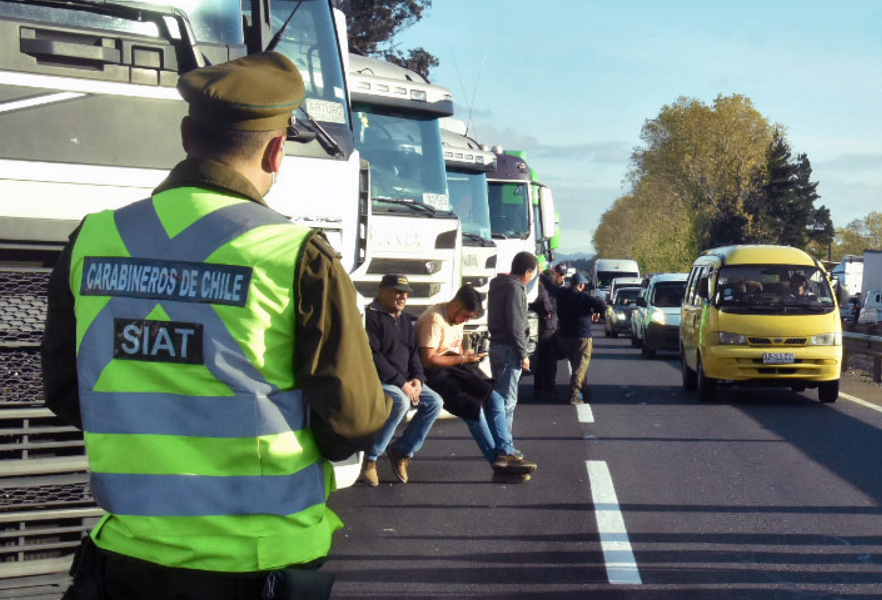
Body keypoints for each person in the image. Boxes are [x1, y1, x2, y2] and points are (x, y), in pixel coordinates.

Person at [40, 52, 390, 600]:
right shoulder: (293, 254)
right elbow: (354, 422)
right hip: (258, 565)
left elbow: (67, 393)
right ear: (277, 150)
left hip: (125, 562)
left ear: (186, 134)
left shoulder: (95, 238)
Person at [416, 285, 537, 484]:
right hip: (437, 374)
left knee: (495, 397)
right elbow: (428, 360)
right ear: (456, 305)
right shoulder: (434, 320)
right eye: (466, 316)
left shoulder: (454, 316)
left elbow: (459, 344)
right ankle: (499, 464)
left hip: (457, 368)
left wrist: (469, 353)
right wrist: (463, 359)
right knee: (473, 409)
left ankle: (506, 453)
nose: (466, 321)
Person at [360, 274, 444, 485]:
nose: (403, 297)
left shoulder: (406, 320)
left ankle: (403, 450)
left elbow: (414, 353)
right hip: (379, 380)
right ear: (383, 292)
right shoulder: (370, 317)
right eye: (397, 292)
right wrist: (401, 383)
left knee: (435, 402)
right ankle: (371, 458)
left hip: (405, 380)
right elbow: (374, 355)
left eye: (405, 293)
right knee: (401, 402)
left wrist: (418, 379)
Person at [488, 251, 537, 429]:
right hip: (510, 349)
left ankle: (499, 441)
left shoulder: (498, 285)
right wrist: (523, 354)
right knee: (508, 401)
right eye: (532, 274)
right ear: (527, 272)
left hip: (496, 345)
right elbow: (516, 325)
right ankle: (504, 446)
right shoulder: (515, 289)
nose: (530, 278)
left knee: (498, 398)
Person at [554, 272, 608, 405]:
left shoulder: (562, 294)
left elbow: (550, 286)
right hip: (583, 336)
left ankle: (586, 392)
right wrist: (595, 312)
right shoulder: (584, 297)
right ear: (582, 285)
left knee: (576, 365)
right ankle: (574, 394)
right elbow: (602, 305)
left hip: (566, 336)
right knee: (580, 366)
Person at [529, 264, 565, 400]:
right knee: (550, 362)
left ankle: (538, 387)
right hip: (549, 329)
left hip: (538, 328)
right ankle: (549, 388)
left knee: (540, 361)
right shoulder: (548, 292)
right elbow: (549, 309)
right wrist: (549, 312)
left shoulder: (535, 291)